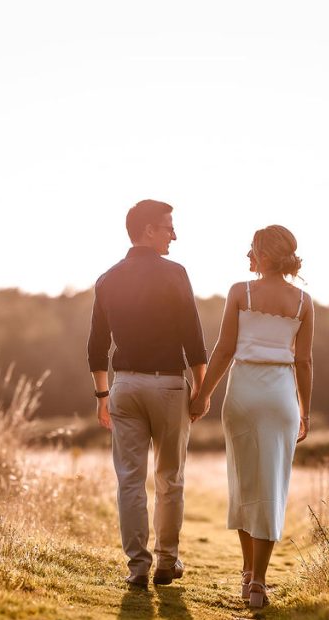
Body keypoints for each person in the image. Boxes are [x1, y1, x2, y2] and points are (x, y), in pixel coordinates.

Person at [189, 225, 313, 608]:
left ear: (263, 253)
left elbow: (224, 349)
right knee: (272, 485)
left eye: (252, 249)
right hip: (280, 396)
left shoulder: (239, 292)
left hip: (242, 391)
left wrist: (203, 394)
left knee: (243, 483)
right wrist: (304, 411)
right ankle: (258, 581)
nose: (247, 255)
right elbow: (304, 361)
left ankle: (247, 575)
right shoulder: (304, 301)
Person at [88, 199, 208, 588]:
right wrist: (202, 390)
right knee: (170, 478)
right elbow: (194, 338)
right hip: (170, 385)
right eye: (168, 226)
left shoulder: (107, 279)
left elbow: (95, 345)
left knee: (129, 480)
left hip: (124, 386)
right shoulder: (176, 274)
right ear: (148, 230)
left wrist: (102, 396)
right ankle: (166, 561)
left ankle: (137, 565)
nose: (174, 234)